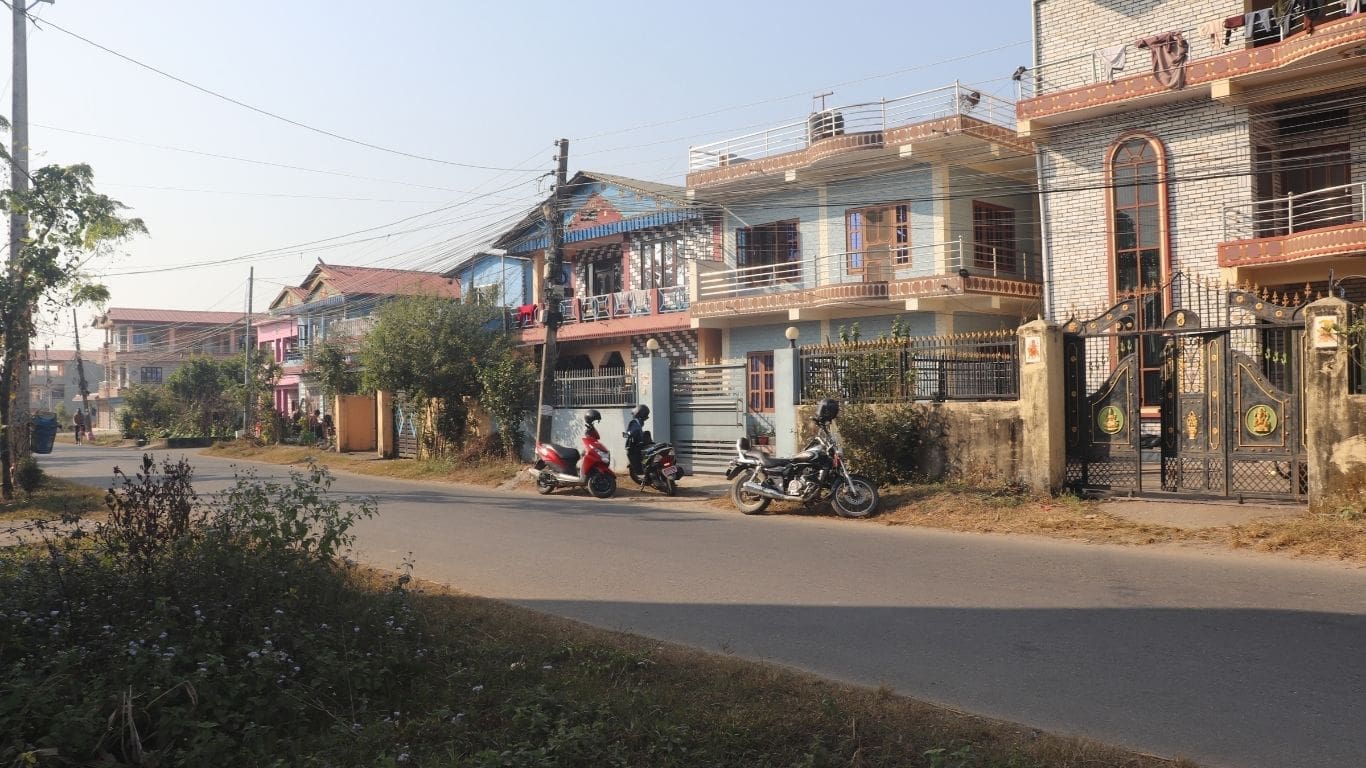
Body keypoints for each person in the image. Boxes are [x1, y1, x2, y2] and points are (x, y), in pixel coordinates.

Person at [625, 404, 650, 481]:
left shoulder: (635, 422)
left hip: (638, 445)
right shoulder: (640, 422)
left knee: (632, 454)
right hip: (642, 443)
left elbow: (633, 431)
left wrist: (628, 434)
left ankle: (641, 473)